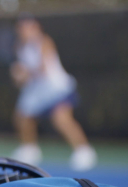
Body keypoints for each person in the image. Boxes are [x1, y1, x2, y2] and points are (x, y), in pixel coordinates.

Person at [10, 15, 97, 171]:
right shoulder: (19, 46)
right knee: (22, 116)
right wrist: (18, 77)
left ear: (36, 28)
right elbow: (23, 79)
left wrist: (23, 72)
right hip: (36, 90)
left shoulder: (45, 42)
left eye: (29, 27)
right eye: (22, 28)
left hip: (57, 88)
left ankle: (84, 152)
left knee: (61, 119)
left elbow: (42, 69)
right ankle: (30, 151)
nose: (26, 31)